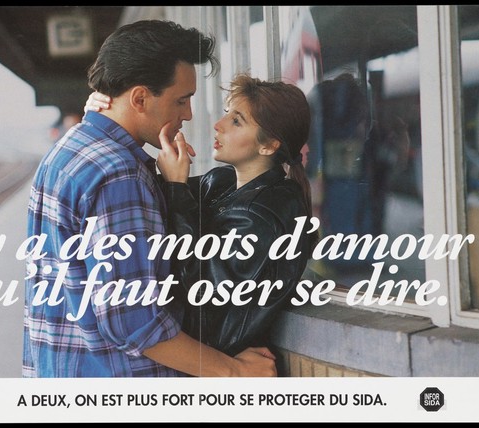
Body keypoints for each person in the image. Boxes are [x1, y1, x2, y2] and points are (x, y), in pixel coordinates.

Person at [23, 20, 277, 378]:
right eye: (182, 100)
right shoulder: (117, 175)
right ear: (140, 98)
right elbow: (132, 321)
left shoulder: (69, 149)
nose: (188, 114)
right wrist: (233, 371)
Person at [86, 74, 318, 366]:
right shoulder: (222, 183)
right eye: (226, 115)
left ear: (268, 145)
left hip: (215, 363)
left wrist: (177, 187)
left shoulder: (265, 214)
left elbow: (200, 286)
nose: (218, 125)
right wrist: (106, 118)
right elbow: (148, 201)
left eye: (236, 121)